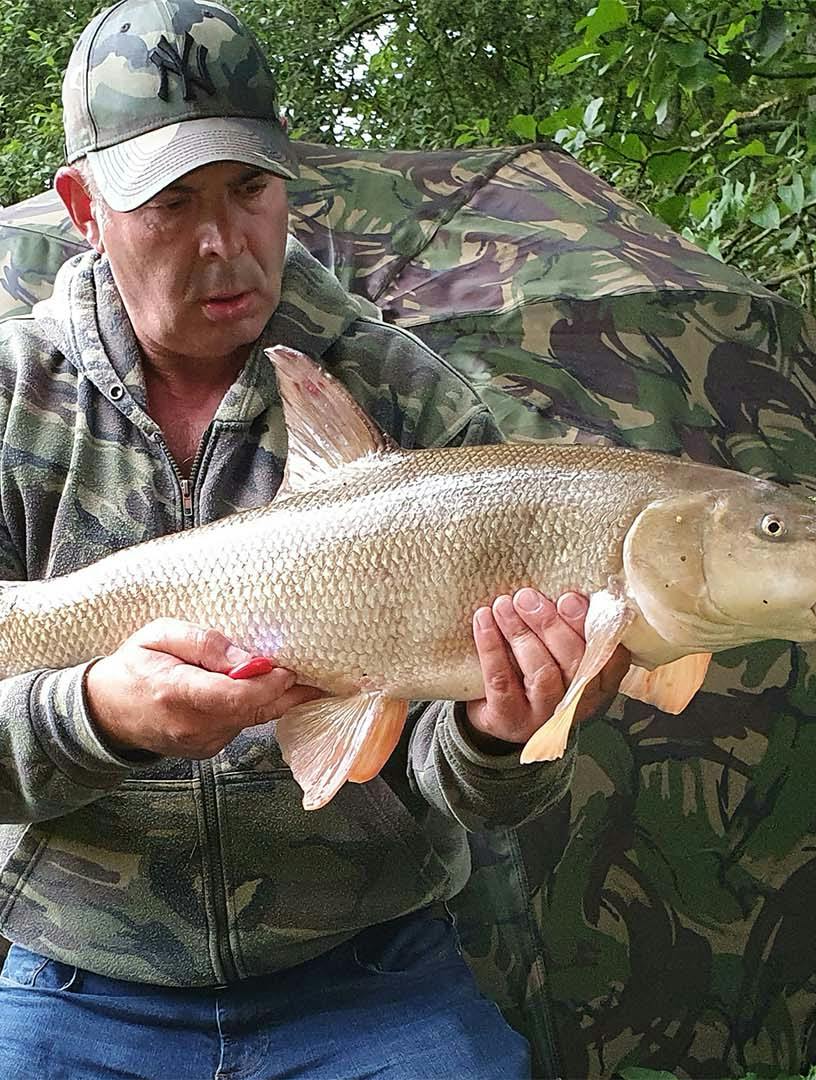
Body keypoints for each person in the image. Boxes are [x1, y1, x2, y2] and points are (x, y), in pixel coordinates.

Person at [0, 1, 627, 1074]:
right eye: (170, 201)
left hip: (369, 969)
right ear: (84, 207)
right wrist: (97, 713)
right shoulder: (13, 399)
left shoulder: (403, 392)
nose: (223, 243)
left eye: (250, 189)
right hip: (78, 977)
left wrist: (504, 729)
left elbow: (465, 787)